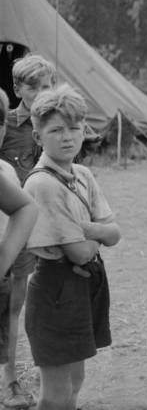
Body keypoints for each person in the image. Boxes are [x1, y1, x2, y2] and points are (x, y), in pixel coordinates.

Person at [23, 84, 121, 410]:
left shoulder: (82, 174)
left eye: (75, 128)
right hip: (54, 289)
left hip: (85, 285)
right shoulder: (42, 183)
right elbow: (79, 252)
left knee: (76, 382)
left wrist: (86, 230)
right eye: (56, 130)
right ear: (38, 137)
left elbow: (115, 232)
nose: (67, 137)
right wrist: (99, 235)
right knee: (55, 393)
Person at [0, 53, 54, 409]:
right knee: (11, 308)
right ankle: (11, 382)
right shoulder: (6, 123)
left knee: (40, 301)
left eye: (47, 85)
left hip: (45, 227)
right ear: (18, 88)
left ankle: (46, 372)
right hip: (13, 228)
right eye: (33, 86)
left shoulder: (55, 123)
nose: (41, 93)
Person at [0, 91, 39, 410]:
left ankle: (9, 378)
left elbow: (25, 207)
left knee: (13, 308)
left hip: (12, 253)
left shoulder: (3, 172)